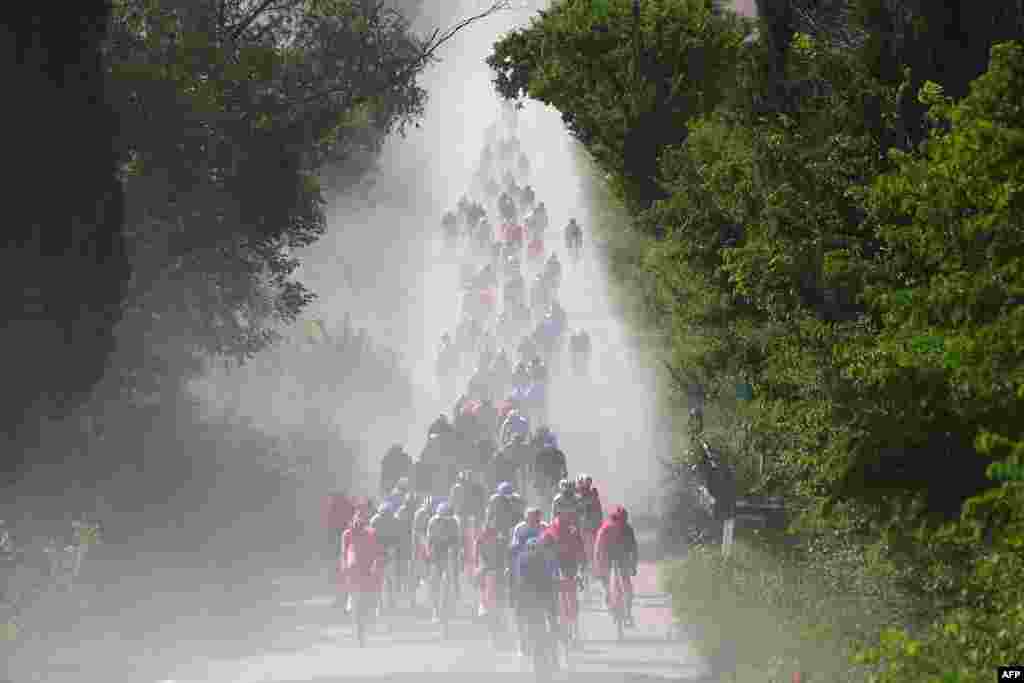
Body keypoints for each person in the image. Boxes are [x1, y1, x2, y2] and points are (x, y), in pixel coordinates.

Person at [513, 535, 560, 659]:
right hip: (541, 594)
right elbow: (553, 579)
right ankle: (553, 651)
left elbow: (518, 580)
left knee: (523, 619)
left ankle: (523, 646)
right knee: (551, 620)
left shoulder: (521, 557)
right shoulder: (546, 556)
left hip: (528, 595)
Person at [594, 505, 639, 627]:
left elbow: (633, 549)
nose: (621, 523)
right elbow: (598, 549)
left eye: (623, 520)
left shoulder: (627, 529)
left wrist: (633, 565)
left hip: (622, 558)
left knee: (628, 588)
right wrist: (598, 568)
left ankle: (628, 612)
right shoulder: (605, 529)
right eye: (619, 520)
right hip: (607, 558)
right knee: (607, 586)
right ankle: (609, 599)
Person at [339, 511, 383, 618]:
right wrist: (344, 565)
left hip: (365, 566)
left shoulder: (370, 533)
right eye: (358, 518)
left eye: (361, 518)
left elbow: (376, 550)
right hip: (354, 567)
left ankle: (368, 607)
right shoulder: (348, 533)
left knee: (367, 588)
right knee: (353, 588)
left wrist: (376, 563)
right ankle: (353, 604)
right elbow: (344, 551)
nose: (359, 521)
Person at [426, 502, 463, 622]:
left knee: (448, 581)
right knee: (435, 583)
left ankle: (448, 606)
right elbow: (429, 540)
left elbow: (457, 540)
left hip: (449, 553)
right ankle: (435, 610)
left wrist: (456, 555)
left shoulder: (454, 522)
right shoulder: (433, 522)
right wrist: (429, 555)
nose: (446, 520)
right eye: (444, 517)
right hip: (436, 553)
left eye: (448, 517)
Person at [576, 475, 603, 568]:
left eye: (587, 485)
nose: (585, 488)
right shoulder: (577, 497)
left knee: (590, 551)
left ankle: (591, 569)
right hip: (580, 528)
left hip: (589, 529)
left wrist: (598, 526)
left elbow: (598, 513)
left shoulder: (592, 496)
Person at [323, 489, 356, 564]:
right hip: (340, 531)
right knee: (340, 550)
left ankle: (336, 563)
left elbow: (329, 520)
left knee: (337, 550)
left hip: (337, 532)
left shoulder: (333, 505)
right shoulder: (347, 505)